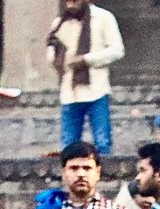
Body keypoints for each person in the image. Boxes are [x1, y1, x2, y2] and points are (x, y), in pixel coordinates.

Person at [47, 0, 125, 153]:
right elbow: (51, 51)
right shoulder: (59, 23)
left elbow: (117, 50)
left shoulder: (103, 18)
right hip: (70, 92)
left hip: (96, 90)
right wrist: (57, 59)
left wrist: (86, 59)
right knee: (69, 144)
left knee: (102, 142)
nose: (71, 5)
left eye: (75, 1)